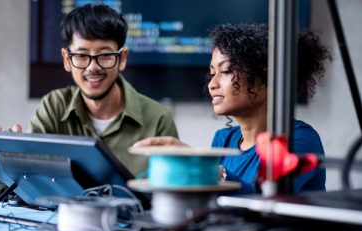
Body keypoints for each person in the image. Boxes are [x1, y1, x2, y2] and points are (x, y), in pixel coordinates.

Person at [0, 4, 178, 197]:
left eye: (105, 55)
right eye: (81, 55)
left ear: (123, 58)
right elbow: (26, 189)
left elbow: (172, 195)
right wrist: (2, 161)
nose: (93, 67)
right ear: (67, 60)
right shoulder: (53, 107)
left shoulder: (158, 119)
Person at [134, 24, 331, 195]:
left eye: (226, 71)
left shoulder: (301, 138)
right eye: (212, 73)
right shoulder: (223, 139)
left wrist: (204, 166)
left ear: (265, 79)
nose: (212, 84)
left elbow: (264, 199)